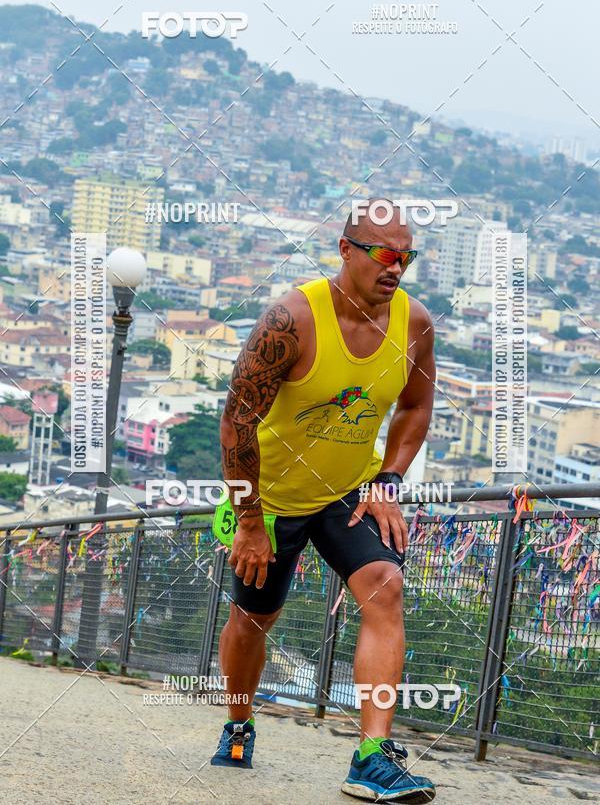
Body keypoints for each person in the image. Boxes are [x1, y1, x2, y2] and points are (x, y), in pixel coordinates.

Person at [211, 199, 436, 802]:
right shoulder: (292, 320)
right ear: (346, 250)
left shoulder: (415, 324)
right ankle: (238, 724)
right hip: (269, 499)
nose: (396, 268)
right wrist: (251, 522)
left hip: (346, 493)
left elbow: (416, 405)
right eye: (385, 254)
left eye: (406, 257)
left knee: (386, 584)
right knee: (253, 620)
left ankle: (372, 755)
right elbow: (236, 422)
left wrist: (388, 479)